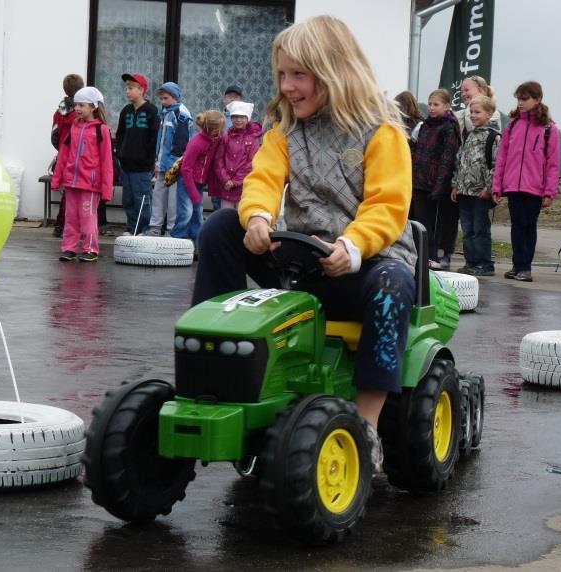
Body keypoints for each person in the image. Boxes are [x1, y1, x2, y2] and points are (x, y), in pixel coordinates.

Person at [192, 15, 417, 472]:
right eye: (282, 75)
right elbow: (264, 179)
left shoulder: (382, 132)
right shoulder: (284, 132)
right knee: (218, 227)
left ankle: (367, 426)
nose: (288, 86)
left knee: (393, 283)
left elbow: (388, 205)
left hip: (365, 262)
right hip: (302, 258)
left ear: (333, 72)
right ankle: (212, 362)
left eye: (299, 75)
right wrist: (256, 217)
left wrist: (353, 246)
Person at [492, 81, 561, 282]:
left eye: (525, 99)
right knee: (516, 225)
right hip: (513, 185)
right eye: (518, 99)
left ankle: (525, 267)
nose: (520, 103)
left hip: (534, 187)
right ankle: (517, 264)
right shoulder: (512, 125)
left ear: (537, 99)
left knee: (528, 225)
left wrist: (550, 192)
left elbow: (553, 163)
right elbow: (502, 159)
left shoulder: (549, 129)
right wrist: (498, 186)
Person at [51, 87, 113, 262]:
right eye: (76, 105)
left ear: (92, 106)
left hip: (91, 184)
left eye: (81, 105)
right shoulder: (74, 127)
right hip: (72, 181)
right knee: (71, 217)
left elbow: (107, 161)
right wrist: (58, 179)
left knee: (88, 217)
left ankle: (90, 248)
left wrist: (106, 189)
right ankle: (69, 248)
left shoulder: (101, 130)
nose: (77, 108)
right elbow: (64, 153)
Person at [410, 88, 461, 269]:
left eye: (436, 104)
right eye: (430, 104)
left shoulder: (449, 128)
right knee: (419, 221)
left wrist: (439, 187)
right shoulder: (425, 126)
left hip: (435, 186)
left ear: (446, 106)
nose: (431, 108)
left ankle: (432, 257)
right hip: (419, 182)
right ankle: (419, 256)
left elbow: (447, 160)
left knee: (432, 225)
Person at [451, 95, 499, 276]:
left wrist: (489, 188)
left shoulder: (493, 138)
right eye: (471, 112)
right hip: (464, 191)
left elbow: (495, 165)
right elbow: (460, 161)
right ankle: (470, 261)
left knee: (481, 230)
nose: (473, 115)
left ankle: (485, 264)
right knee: (468, 229)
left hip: (480, 194)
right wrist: (456, 185)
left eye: (477, 112)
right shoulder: (469, 135)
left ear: (489, 114)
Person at [115, 73, 158, 235]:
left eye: (131, 88)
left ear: (141, 90)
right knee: (128, 199)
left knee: (142, 199)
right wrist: (119, 153)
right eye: (126, 88)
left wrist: (149, 158)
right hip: (126, 164)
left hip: (142, 166)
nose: (127, 91)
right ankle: (132, 227)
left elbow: (154, 137)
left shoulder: (151, 111)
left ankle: (145, 229)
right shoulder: (125, 111)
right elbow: (120, 134)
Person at [147, 82, 191, 236]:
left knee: (173, 200)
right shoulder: (166, 113)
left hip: (174, 165)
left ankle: (172, 229)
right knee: (158, 195)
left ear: (175, 97)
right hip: (163, 164)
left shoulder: (181, 115)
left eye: (165, 98)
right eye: (161, 99)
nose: (162, 102)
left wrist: (173, 165)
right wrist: (158, 163)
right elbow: (162, 141)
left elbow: (180, 144)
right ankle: (155, 228)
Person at [177, 110, 223, 241]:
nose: (221, 131)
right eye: (219, 129)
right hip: (186, 181)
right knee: (186, 212)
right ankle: (178, 238)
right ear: (211, 129)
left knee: (197, 212)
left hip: (199, 182)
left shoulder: (215, 139)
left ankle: (196, 240)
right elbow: (186, 169)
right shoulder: (196, 143)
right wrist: (194, 193)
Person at [49, 74, 85, 238]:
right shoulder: (81, 111)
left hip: (64, 155)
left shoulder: (59, 111)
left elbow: (54, 136)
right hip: (78, 155)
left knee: (67, 192)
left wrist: (61, 149)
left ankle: (61, 224)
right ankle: (65, 225)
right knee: (75, 192)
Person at [211, 100, 262, 210]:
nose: (238, 120)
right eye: (235, 117)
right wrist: (225, 179)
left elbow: (251, 163)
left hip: (243, 186)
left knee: (241, 219)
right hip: (226, 187)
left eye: (242, 117)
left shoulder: (253, 139)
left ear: (247, 118)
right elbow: (218, 160)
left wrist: (235, 181)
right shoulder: (226, 136)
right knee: (225, 218)